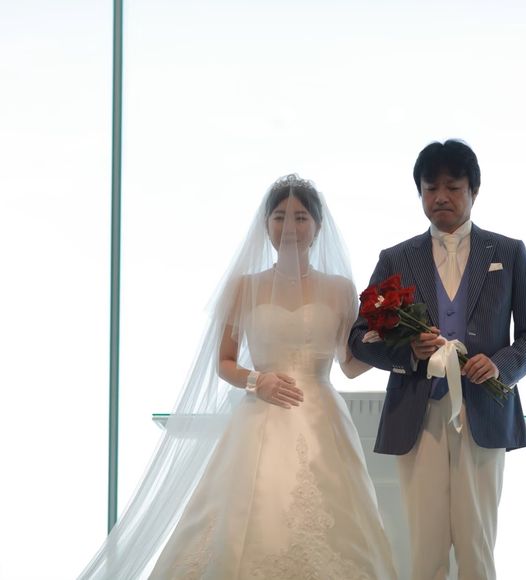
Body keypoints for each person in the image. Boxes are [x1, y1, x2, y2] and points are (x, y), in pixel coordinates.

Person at [79, 174, 397, 580]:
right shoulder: (244, 287)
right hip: (259, 415)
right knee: (248, 514)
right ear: (266, 224)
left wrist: (387, 345)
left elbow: (349, 365)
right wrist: (256, 382)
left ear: (318, 226)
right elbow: (225, 362)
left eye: (300, 217)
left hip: (322, 417)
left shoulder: (340, 289)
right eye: (280, 216)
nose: (290, 226)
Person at [349, 140, 526, 580]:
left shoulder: (508, 253)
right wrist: (407, 353)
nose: (441, 196)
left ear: (474, 191)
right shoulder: (395, 259)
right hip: (417, 413)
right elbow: (359, 339)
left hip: (484, 412)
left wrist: (501, 365)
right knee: (426, 546)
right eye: (430, 188)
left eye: (453, 187)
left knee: (477, 544)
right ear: (420, 193)